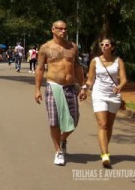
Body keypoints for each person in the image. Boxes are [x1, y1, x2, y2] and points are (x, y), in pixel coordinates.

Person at [34, 20, 85, 166]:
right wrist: (37, 89)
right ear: (53, 30)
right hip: (53, 86)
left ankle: (63, 140)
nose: (63, 31)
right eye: (60, 29)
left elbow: (77, 67)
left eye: (65, 29)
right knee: (54, 122)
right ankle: (58, 151)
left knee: (74, 121)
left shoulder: (73, 47)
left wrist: (83, 87)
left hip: (70, 87)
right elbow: (40, 68)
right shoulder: (46, 48)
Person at [79, 38, 128, 168]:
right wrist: (84, 89)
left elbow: (123, 79)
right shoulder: (95, 61)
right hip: (99, 94)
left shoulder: (118, 61)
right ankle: (105, 155)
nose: (104, 46)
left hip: (114, 96)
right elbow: (90, 80)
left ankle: (104, 147)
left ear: (112, 47)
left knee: (109, 126)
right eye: (102, 44)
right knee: (103, 124)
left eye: (107, 44)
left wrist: (119, 87)